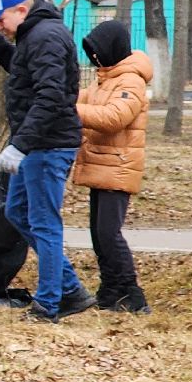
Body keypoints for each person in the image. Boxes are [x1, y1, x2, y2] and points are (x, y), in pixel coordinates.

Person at [0, 0, 95, 322]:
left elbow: (50, 96)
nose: (0, 25)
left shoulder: (45, 37)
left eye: (1, 21)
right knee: (18, 213)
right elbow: (24, 73)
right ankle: (70, 290)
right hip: (36, 144)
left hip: (48, 143)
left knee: (43, 223)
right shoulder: (33, 35)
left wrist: (20, 145)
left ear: (21, 10)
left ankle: (48, 305)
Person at [71, 19, 152, 313]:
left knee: (109, 233)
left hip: (118, 166)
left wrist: (71, 109)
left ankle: (130, 293)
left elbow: (114, 117)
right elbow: (84, 99)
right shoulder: (104, 78)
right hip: (102, 164)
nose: (94, 58)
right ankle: (110, 290)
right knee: (98, 233)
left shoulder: (130, 80)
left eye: (97, 51)